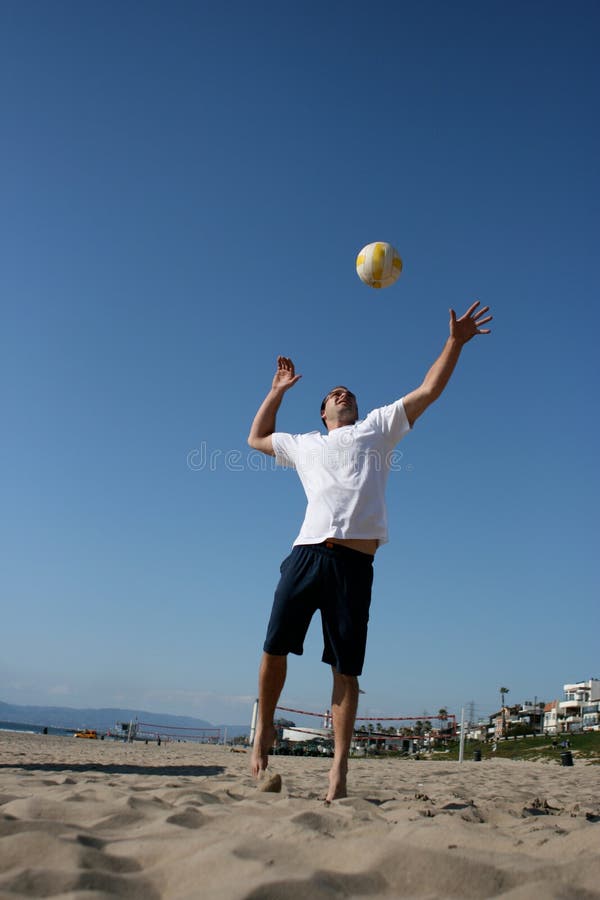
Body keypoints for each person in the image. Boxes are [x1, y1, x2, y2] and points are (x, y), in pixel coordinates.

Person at [248, 301, 492, 801]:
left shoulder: (377, 429)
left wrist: (455, 342)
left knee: (346, 669)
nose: (342, 394)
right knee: (274, 647)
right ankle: (264, 729)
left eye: (348, 393)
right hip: (306, 553)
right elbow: (255, 438)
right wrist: (275, 392)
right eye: (333, 394)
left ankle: (338, 769)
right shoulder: (304, 444)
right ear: (322, 412)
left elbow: (428, 390)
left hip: (354, 565)